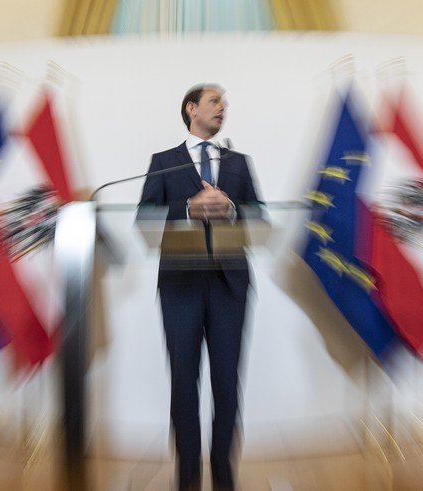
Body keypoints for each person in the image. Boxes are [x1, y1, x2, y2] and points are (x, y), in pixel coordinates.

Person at [139, 83, 262, 491]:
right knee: (183, 381)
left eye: (225, 103)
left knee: (227, 383)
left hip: (230, 285)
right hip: (180, 285)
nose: (223, 108)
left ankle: (225, 475)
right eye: (215, 102)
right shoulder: (164, 162)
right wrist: (188, 208)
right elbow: (145, 217)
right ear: (191, 108)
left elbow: (258, 217)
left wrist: (231, 208)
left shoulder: (240, 163)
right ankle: (188, 476)